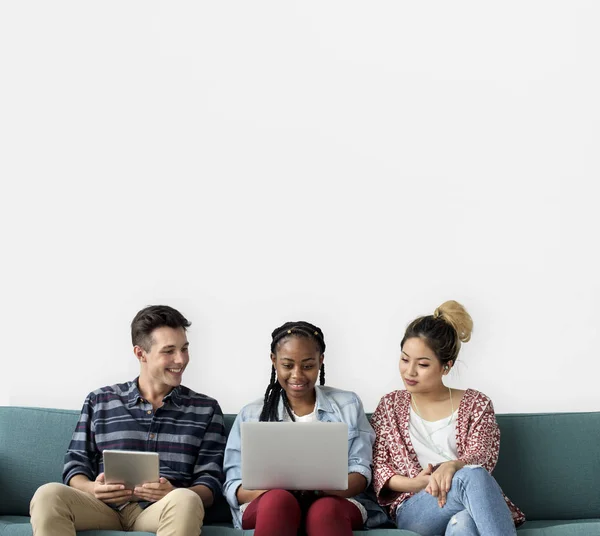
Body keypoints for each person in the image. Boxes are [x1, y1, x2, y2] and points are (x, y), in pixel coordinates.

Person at [30, 305, 227, 536]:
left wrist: (171, 491)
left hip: (163, 510)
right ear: (140, 353)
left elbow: (210, 484)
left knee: (186, 499)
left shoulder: (206, 409)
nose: (180, 359)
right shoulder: (100, 401)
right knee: (47, 494)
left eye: (184, 349)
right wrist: (94, 489)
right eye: (169, 351)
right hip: (102, 509)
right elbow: (76, 465)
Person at [371, 300, 525, 535]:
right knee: (470, 476)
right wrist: (418, 483)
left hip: (467, 502)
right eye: (404, 359)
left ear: (446, 366)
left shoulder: (477, 404)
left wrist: (452, 466)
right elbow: (380, 468)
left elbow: (483, 456)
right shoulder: (390, 406)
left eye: (422, 364)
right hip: (415, 508)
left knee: (463, 523)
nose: (409, 371)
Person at [223, 321, 381, 536]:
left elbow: (361, 473)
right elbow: (235, 486)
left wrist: (319, 487)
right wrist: (280, 488)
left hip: (334, 501)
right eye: (287, 365)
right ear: (274, 361)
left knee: (324, 509)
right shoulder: (251, 414)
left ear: (320, 361)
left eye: (307, 366)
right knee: (279, 500)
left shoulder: (348, 405)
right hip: (270, 505)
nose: (297, 375)